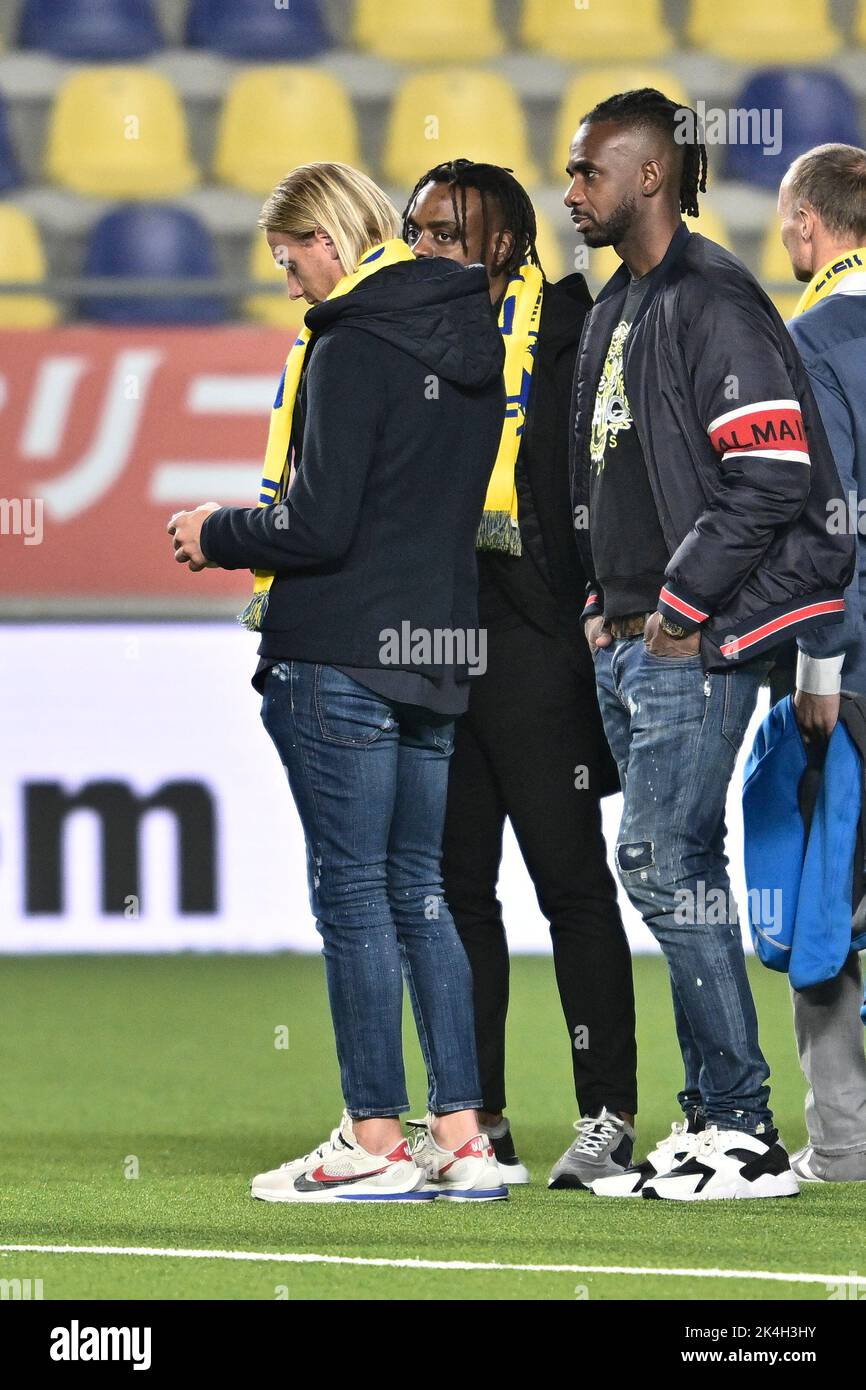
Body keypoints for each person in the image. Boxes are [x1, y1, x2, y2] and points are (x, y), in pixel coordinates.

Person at [166, 161, 509, 1202]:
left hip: (341, 655)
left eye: (288, 258)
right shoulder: (474, 336)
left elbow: (316, 524)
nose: (287, 285)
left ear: (327, 238)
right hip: (436, 653)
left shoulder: (349, 344)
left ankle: (373, 1137)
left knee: (353, 895)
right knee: (421, 892)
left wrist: (215, 529)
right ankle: (459, 1133)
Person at [565, 90, 855, 1200]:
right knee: (671, 860)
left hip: (690, 641)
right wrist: (603, 597)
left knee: (660, 858)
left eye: (589, 170)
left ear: (648, 177)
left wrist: (682, 605)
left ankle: (737, 1122)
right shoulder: (617, 305)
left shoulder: (711, 296)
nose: (571, 189)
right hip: (629, 632)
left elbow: (773, 475)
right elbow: (608, 474)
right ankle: (711, 1116)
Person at [402, 158, 637, 1190]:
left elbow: (622, 466)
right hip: (440, 644)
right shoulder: (405, 334)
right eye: (411, 231)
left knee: (570, 886)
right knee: (457, 894)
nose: (420, 250)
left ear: (501, 243)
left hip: (543, 642)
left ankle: (606, 1114)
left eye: (442, 234)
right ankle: (475, 1116)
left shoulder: (579, 324)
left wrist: (611, 602)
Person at [774, 143, 866, 1182]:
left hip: (856, 656)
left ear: (806, 228)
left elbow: (822, 522)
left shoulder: (811, 340)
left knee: (828, 894)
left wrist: (815, 661)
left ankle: (842, 1143)